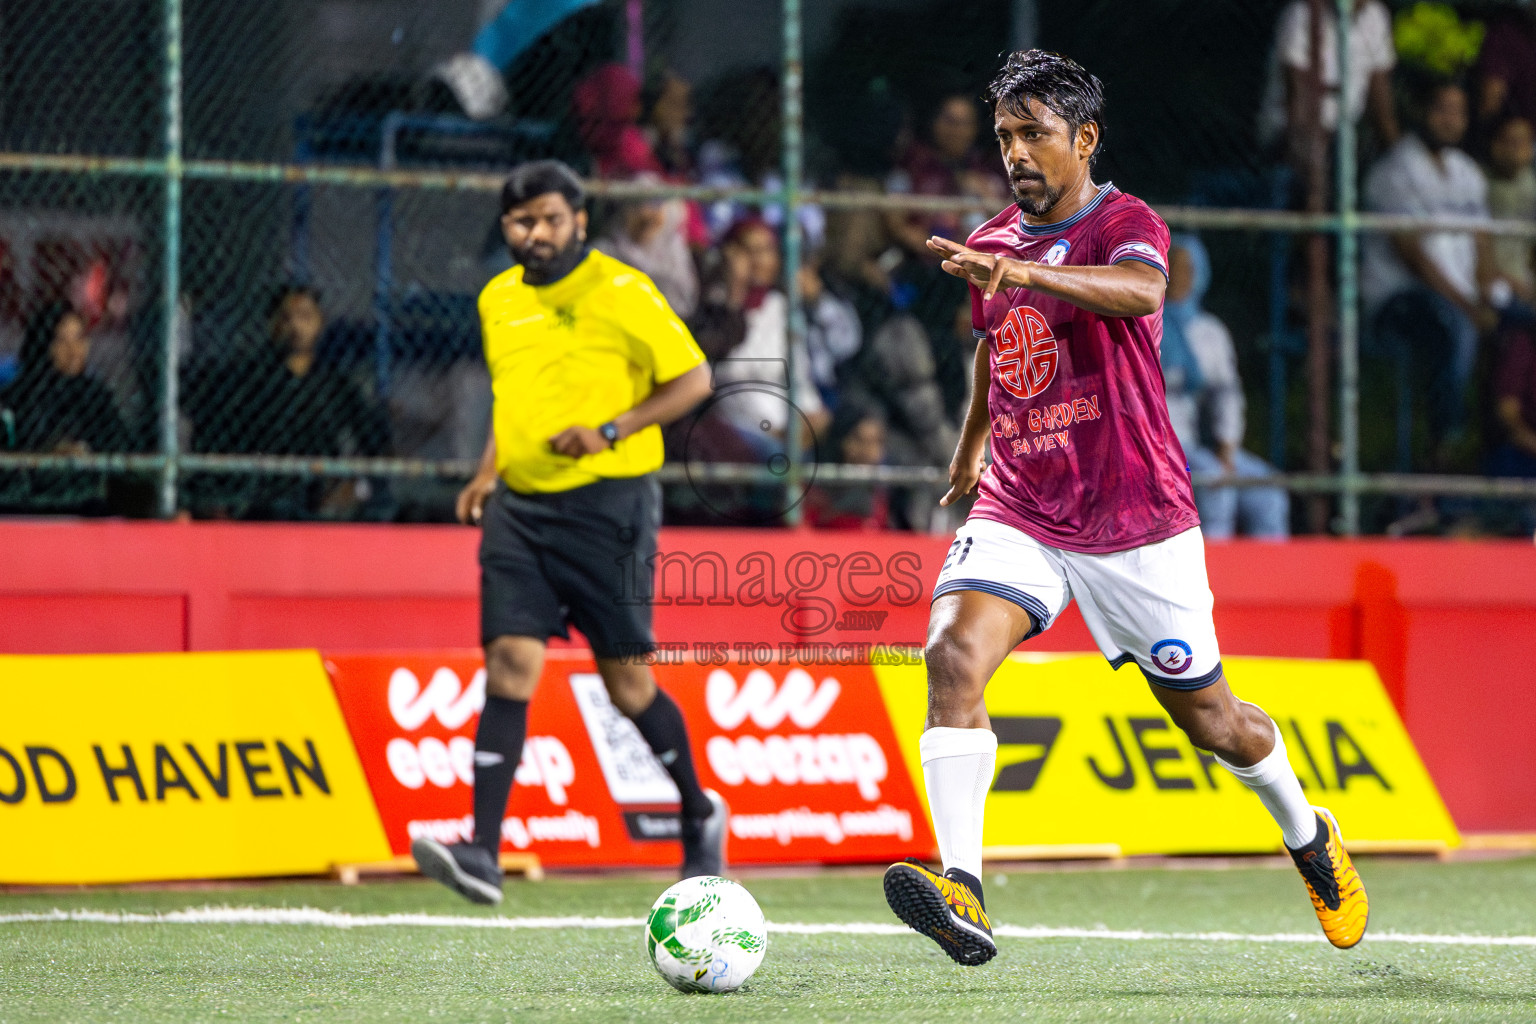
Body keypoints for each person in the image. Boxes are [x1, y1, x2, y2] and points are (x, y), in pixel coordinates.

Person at [880, 50, 1367, 966]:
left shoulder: (1125, 222)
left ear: (1085, 138)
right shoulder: (995, 238)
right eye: (1005, 137)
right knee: (950, 656)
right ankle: (964, 891)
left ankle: (1310, 837)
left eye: (1035, 135)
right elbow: (996, 347)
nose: (1016, 153)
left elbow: (1142, 293)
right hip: (1023, 504)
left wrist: (1020, 276)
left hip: (1136, 522)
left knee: (1216, 722)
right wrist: (972, 438)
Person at [411, 160, 724, 903]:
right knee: (509, 663)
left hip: (609, 507)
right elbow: (512, 396)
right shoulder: (497, 298)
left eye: (551, 218)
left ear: (579, 221)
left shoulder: (622, 291)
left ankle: (698, 809)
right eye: (522, 222)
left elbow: (695, 380)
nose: (537, 233)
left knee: (626, 683)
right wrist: (490, 468)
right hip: (520, 508)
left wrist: (612, 429)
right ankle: (482, 854)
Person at [1363, 80, 1512, 464]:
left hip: (1462, 296)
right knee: (1456, 329)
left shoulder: (1467, 173)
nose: (1451, 120)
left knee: (1521, 323)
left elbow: (1482, 244)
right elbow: (1413, 256)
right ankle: (1443, 447)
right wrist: (1467, 307)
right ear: (1422, 113)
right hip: (1400, 297)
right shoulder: (1395, 170)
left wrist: (1484, 294)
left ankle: (1505, 450)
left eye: (1459, 112)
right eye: (1442, 109)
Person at [183, 286, 389, 520]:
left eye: (305, 317)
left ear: (320, 323)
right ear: (272, 325)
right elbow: (215, 435)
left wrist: (358, 487)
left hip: (319, 495)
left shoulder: (335, 383)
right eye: (286, 318)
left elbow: (373, 441)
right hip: (260, 496)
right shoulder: (249, 379)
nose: (296, 326)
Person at [1163, 235, 1290, 539]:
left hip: (1204, 447)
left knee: (1268, 492)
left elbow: (1228, 395)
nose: (1181, 278)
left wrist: (1227, 445)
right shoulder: (1142, 324)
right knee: (1212, 481)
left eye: (1189, 269)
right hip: (1165, 452)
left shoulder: (1210, 333)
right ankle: (1216, 576)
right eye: (1174, 268)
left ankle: (1271, 585)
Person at [0, 302, 129, 510]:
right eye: (61, 341)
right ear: (44, 345)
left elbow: (119, 442)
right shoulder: (21, 393)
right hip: (29, 498)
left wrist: (88, 453)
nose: (73, 351)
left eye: (79, 339)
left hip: (88, 495)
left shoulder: (94, 393)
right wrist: (50, 454)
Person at [1256, 0, 1399, 164]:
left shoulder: (1375, 16)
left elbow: (1380, 104)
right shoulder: (1301, 14)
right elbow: (1298, 102)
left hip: (1344, 134)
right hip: (1287, 132)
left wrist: (1398, 156)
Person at [1485, 114, 1536, 305]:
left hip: (1525, 280)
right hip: (1493, 282)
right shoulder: (1479, 184)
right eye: (1511, 141)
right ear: (1495, 145)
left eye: (1523, 142)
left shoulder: (1531, 184)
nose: (1517, 149)